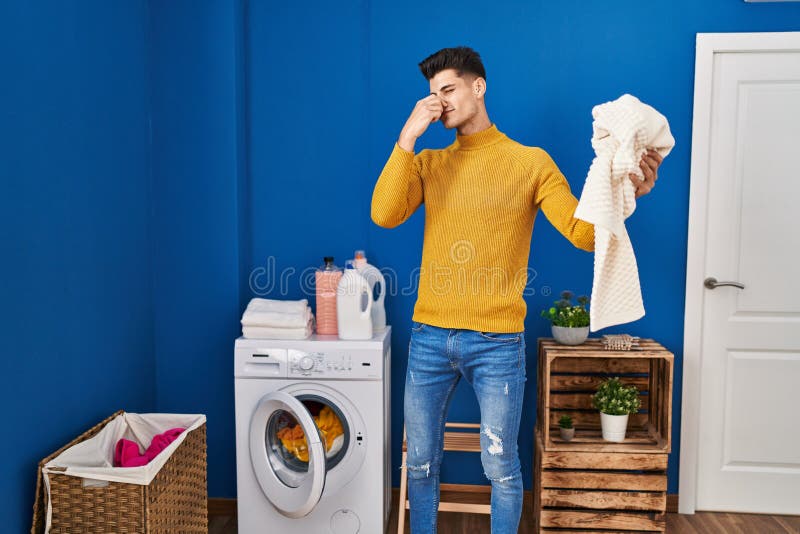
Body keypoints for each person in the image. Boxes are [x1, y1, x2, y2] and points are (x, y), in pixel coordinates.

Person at [370, 46, 662, 533]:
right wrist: (408, 137)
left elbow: (584, 234)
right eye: (431, 95)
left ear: (477, 87)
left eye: (448, 90)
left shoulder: (530, 162)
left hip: (497, 345)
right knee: (418, 467)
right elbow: (384, 213)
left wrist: (629, 193)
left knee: (502, 470)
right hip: (428, 339)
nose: (438, 102)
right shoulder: (429, 164)